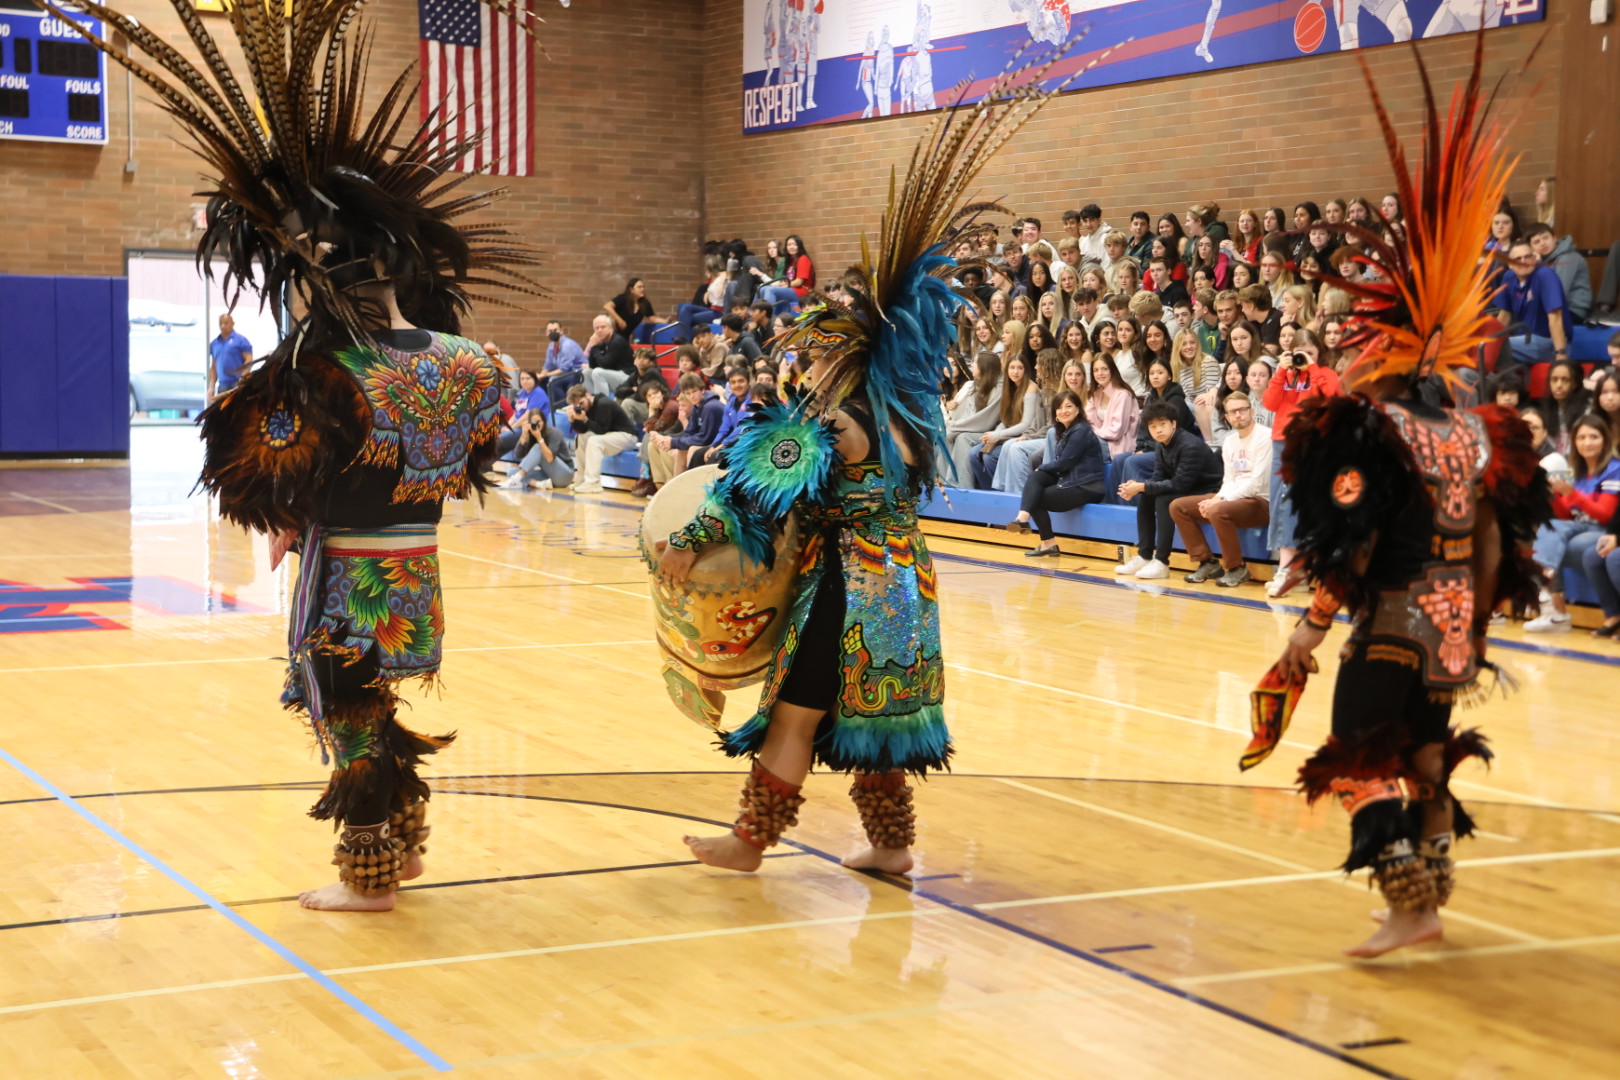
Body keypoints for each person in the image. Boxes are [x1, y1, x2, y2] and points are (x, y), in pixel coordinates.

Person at [171, 0, 541, 911]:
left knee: (350, 713)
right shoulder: (470, 364)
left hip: (346, 579)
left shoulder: (322, 369)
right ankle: (405, 844)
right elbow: (473, 449)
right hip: (415, 570)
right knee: (377, 709)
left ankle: (369, 870)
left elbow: (268, 471)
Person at [1247, 44, 1551, 960]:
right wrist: (1480, 623)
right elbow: (1497, 539)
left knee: (1357, 751)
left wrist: (1311, 624)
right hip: (1456, 620)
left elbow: (1364, 534)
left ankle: (1405, 892)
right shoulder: (1470, 427)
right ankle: (1427, 901)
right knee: (1425, 754)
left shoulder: (1372, 429)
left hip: (1393, 616)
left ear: (1380, 348)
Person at [1262, 327, 1341, 596]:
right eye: (1300, 353)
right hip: (1282, 442)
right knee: (1281, 502)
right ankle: (1289, 566)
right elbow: (1270, 403)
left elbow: (1330, 399)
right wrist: (1280, 371)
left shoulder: (1326, 375)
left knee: (1297, 503)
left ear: (1319, 352)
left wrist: (1313, 368)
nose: (1305, 358)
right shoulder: (1286, 374)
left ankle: (1291, 568)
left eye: (1310, 352)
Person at [1525, 415, 1619, 632]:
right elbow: (1566, 516)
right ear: (1574, 442)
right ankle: (1553, 608)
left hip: (1604, 530)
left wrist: (1573, 494)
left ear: (1604, 440)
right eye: (1582, 437)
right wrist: (1555, 496)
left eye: (1593, 437)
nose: (1587, 442)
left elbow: (1605, 515)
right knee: (1549, 527)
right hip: (1577, 528)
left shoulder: (1615, 468)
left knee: (1557, 543)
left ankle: (1549, 599)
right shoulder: (1574, 470)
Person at [1115, 401, 1223, 579]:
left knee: (1164, 499)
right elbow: (1158, 478)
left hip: (1208, 490)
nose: (1158, 430)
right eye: (1153, 426)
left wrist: (1142, 486)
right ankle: (1144, 555)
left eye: (1162, 424)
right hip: (1188, 487)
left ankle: (1162, 561)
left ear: (1173, 423)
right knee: (1146, 497)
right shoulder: (1161, 445)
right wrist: (1137, 488)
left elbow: (1180, 485)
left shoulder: (1190, 445)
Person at [1172, 392, 1271, 587]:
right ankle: (1207, 562)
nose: (1238, 415)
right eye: (1233, 412)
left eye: (1242, 410)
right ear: (1226, 417)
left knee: (1217, 509)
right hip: (1234, 499)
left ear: (1251, 411)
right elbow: (1229, 480)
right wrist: (1219, 497)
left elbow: (1256, 483)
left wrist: (1220, 500)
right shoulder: (1230, 441)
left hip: (1262, 502)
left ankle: (1236, 568)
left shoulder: (1265, 437)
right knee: (1178, 506)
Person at [1007, 391, 1105, 556]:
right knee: (1035, 478)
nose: (1064, 411)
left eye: (1068, 406)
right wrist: (1040, 471)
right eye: (1059, 408)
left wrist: (1043, 467)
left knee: (1036, 495)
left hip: (1087, 486)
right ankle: (1023, 520)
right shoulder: (1066, 431)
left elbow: (1065, 463)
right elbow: (1063, 466)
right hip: (1072, 481)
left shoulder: (1081, 430)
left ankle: (1046, 541)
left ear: (1078, 409)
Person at [1494, 239, 1571, 367]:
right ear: (1510, 264)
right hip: (1525, 342)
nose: (1523, 262)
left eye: (1527, 257)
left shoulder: (1545, 275)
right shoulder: (1509, 277)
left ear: (1534, 258)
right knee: (1490, 345)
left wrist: (1561, 354)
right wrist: (1490, 338)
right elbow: (1504, 315)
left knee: (1499, 346)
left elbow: (1555, 317)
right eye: (1517, 258)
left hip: (1550, 343)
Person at [564, 383, 639, 494]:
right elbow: (583, 431)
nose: (581, 407)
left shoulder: (603, 403)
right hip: (610, 436)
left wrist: (585, 419)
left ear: (588, 395)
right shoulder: (587, 406)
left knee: (594, 441)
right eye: (577, 405)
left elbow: (601, 430)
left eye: (581, 403)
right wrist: (573, 420)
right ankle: (581, 480)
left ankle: (593, 483)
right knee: (580, 438)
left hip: (627, 436)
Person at [1525, 223, 1592, 324]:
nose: (1542, 243)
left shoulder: (1568, 257)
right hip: (1554, 309)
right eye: (1536, 242)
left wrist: (1539, 265)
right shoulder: (1544, 261)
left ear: (1554, 239)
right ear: (1531, 248)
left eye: (1545, 238)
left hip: (1573, 311)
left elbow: (1558, 293)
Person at [690, 366, 754, 469]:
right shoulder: (731, 402)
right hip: (730, 442)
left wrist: (720, 446)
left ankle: (709, 484)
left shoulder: (753, 400)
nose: (737, 385)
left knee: (716, 455)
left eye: (741, 381)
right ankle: (689, 484)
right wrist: (713, 446)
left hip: (744, 442)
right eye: (733, 382)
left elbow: (740, 430)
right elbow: (723, 430)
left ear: (748, 381)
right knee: (699, 454)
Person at [499, 407, 574, 491]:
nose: (536, 424)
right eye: (533, 422)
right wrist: (524, 435)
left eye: (539, 421)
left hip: (565, 474)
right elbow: (517, 455)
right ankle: (538, 484)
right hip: (548, 474)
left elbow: (550, 459)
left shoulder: (553, 433)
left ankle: (516, 480)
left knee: (538, 447)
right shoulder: (531, 434)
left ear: (544, 421)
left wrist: (539, 438)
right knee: (512, 472)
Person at [583, 313, 635, 397]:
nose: (599, 330)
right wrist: (594, 347)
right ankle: (591, 400)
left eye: (603, 327)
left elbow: (605, 365)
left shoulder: (616, 341)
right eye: (597, 328)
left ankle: (602, 403)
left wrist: (595, 347)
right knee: (586, 372)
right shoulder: (602, 341)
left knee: (598, 373)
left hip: (627, 377)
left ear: (611, 328)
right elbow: (592, 366)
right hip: (614, 374)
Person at [540, 320, 588, 409]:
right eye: (550, 331)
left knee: (553, 381)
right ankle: (547, 410)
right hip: (566, 374)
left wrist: (546, 375)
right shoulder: (551, 346)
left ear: (561, 331)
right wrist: (541, 375)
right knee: (540, 382)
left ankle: (561, 408)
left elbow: (564, 369)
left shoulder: (567, 345)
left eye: (555, 330)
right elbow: (547, 365)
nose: (553, 333)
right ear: (546, 333)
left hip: (577, 373)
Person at [206, 312, 253, 400]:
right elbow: (213, 366)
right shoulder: (215, 343)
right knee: (222, 412)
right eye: (221, 323)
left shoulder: (241, 341)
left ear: (232, 324)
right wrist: (211, 386)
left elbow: (249, 360)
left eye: (226, 323)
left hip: (237, 383)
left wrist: (243, 378)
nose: (223, 326)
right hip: (222, 385)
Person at [605, 277, 658, 344]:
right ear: (631, 289)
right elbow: (607, 306)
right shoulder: (623, 298)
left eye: (643, 287)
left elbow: (653, 318)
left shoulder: (645, 303)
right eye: (639, 287)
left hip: (625, 337)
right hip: (612, 334)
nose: (642, 289)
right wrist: (620, 320)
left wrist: (666, 321)